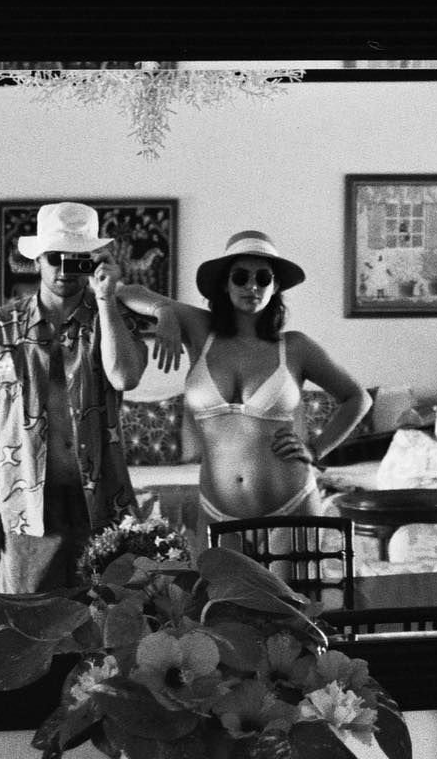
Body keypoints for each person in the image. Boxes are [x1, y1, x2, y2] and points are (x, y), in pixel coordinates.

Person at [117, 230, 372, 541]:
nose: (252, 286)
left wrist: (316, 450)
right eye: (241, 277)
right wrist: (163, 311)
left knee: (293, 578)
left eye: (263, 278)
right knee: (213, 577)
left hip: (292, 507)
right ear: (225, 284)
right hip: (218, 512)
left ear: (275, 287)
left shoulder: (295, 347)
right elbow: (126, 292)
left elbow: (357, 398)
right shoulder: (201, 331)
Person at [0, 201, 147, 593]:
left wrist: (106, 299)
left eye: (77, 259)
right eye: (55, 257)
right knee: (27, 621)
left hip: (101, 506)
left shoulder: (112, 319)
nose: (64, 270)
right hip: (24, 506)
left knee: (105, 618)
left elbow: (125, 377)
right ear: (37, 259)